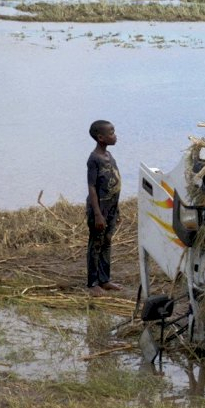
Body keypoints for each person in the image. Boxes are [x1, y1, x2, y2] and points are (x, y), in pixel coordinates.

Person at [86, 120, 123, 296]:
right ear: (101, 138)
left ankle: (104, 279)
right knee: (96, 244)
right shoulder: (94, 159)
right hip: (99, 210)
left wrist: (116, 209)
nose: (115, 135)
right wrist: (98, 214)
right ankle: (93, 283)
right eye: (111, 133)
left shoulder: (109, 156)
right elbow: (92, 187)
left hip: (111, 208)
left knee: (107, 242)